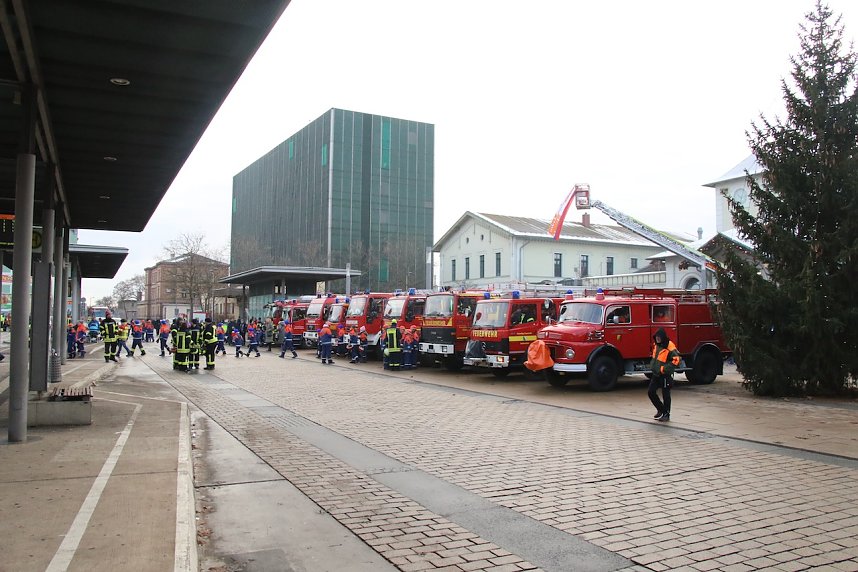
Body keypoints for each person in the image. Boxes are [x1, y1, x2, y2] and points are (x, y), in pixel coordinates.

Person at [649, 328, 680, 421]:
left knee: (666, 395)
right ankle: (661, 409)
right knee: (651, 392)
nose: (657, 339)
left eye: (659, 337)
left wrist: (664, 369)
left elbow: (676, 360)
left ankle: (666, 414)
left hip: (665, 375)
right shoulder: (657, 345)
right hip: (656, 374)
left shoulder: (670, 346)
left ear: (663, 337)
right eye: (656, 337)